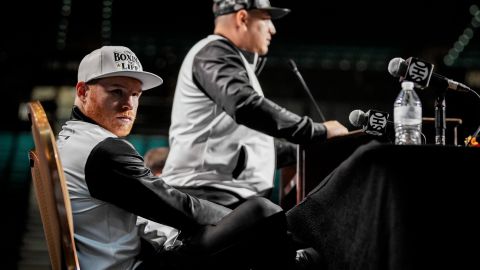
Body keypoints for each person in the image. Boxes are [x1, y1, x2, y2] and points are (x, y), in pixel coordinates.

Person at [56, 45, 304, 269]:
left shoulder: (70, 140)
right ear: (82, 91)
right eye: (117, 92)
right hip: (132, 266)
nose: (129, 104)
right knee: (262, 212)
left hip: (122, 258)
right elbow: (180, 208)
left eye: (135, 94)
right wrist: (243, 223)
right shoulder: (104, 150)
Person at [161, 0, 349, 208]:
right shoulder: (214, 53)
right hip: (207, 195)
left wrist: (308, 149)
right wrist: (316, 131)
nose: (273, 29)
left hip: (222, 196)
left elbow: (254, 148)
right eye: (267, 19)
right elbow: (245, 105)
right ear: (242, 18)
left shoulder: (231, 62)